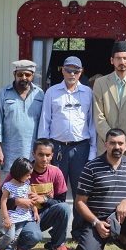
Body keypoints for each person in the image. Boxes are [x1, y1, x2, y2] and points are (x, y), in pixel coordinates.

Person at [0, 59, 44, 235]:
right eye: (20, 74)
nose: (23, 78)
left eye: (27, 75)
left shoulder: (40, 95)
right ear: (14, 75)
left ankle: (27, 228)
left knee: (30, 193)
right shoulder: (3, 94)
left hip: (32, 154)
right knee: (7, 191)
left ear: (32, 76)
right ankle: (3, 229)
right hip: (9, 153)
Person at [0, 138, 74, 250]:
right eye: (40, 154)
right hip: (23, 219)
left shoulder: (56, 172)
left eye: (47, 155)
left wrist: (44, 200)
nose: (44, 159)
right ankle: (21, 245)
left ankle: (56, 246)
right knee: (34, 236)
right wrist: (17, 201)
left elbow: (61, 201)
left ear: (52, 156)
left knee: (64, 208)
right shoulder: (21, 170)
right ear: (33, 154)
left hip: (42, 216)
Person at [38, 55, 96, 198]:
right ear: (62, 71)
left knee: (81, 191)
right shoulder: (52, 92)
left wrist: (92, 152)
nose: (72, 74)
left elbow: (92, 123)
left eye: (75, 71)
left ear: (80, 72)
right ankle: (57, 219)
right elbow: (45, 121)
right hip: (57, 148)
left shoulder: (88, 93)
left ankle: (79, 221)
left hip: (80, 148)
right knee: (55, 190)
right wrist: (44, 150)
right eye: (68, 70)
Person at [93, 41, 126, 158]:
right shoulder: (100, 83)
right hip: (105, 146)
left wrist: (125, 140)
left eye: (125, 58)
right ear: (112, 60)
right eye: (118, 58)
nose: (122, 62)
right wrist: (111, 140)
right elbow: (98, 115)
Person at [0, 157, 40, 250]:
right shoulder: (8, 186)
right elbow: (3, 202)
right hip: (11, 217)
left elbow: (31, 199)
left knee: (15, 237)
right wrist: (6, 218)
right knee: (9, 236)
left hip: (23, 216)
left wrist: (35, 211)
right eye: (27, 175)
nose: (29, 177)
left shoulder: (26, 185)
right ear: (19, 173)